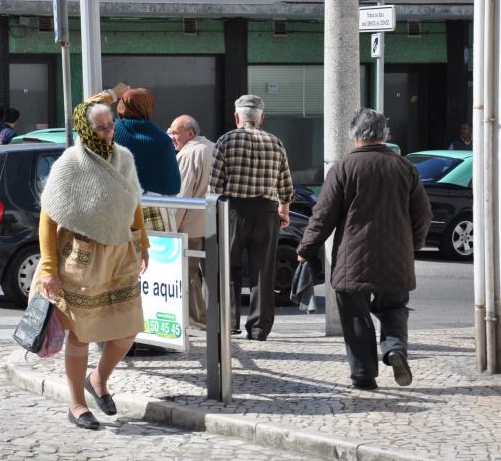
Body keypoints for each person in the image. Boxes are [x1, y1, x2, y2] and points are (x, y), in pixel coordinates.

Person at [31, 91, 149, 430]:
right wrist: (50, 269)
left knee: (129, 329)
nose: (108, 132)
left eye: (110, 126)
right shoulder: (70, 163)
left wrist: (143, 243)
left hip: (121, 253)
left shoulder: (124, 157)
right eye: (100, 128)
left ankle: (98, 379)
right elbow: (48, 218)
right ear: (85, 129)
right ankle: (77, 404)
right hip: (82, 257)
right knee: (82, 334)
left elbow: (134, 201)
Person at [297, 108, 431, 390]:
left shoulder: (344, 168)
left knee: (355, 315)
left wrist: (306, 247)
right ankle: (395, 348)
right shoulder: (405, 168)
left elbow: (323, 215)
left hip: (353, 258)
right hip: (396, 256)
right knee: (394, 307)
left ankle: (363, 376)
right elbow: (423, 214)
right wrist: (412, 245)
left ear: (355, 136)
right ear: (384, 135)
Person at [209, 94, 293, 341]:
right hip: (267, 212)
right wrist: (284, 210)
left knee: (229, 267)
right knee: (263, 272)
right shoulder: (276, 143)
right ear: (262, 118)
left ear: (237, 117)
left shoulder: (225, 141)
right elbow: (286, 185)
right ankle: (258, 328)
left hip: (233, 211)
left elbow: (214, 186)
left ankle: (229, 322)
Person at [168, 114, 215, 327]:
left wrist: (171, 228)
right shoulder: (214, 148)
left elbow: (182, 195)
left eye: (175, 132)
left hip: (191, 228)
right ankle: (219, 320)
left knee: (190, 277)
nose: (171, 136)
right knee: (214, 276)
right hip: (215, 226)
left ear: (190, 133)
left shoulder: (188, 155)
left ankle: (198, 321)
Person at [114, 88, 181, 231]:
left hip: (112, 212)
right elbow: (173, 186)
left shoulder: (106, 133)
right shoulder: (161, 140)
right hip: (150, 213)